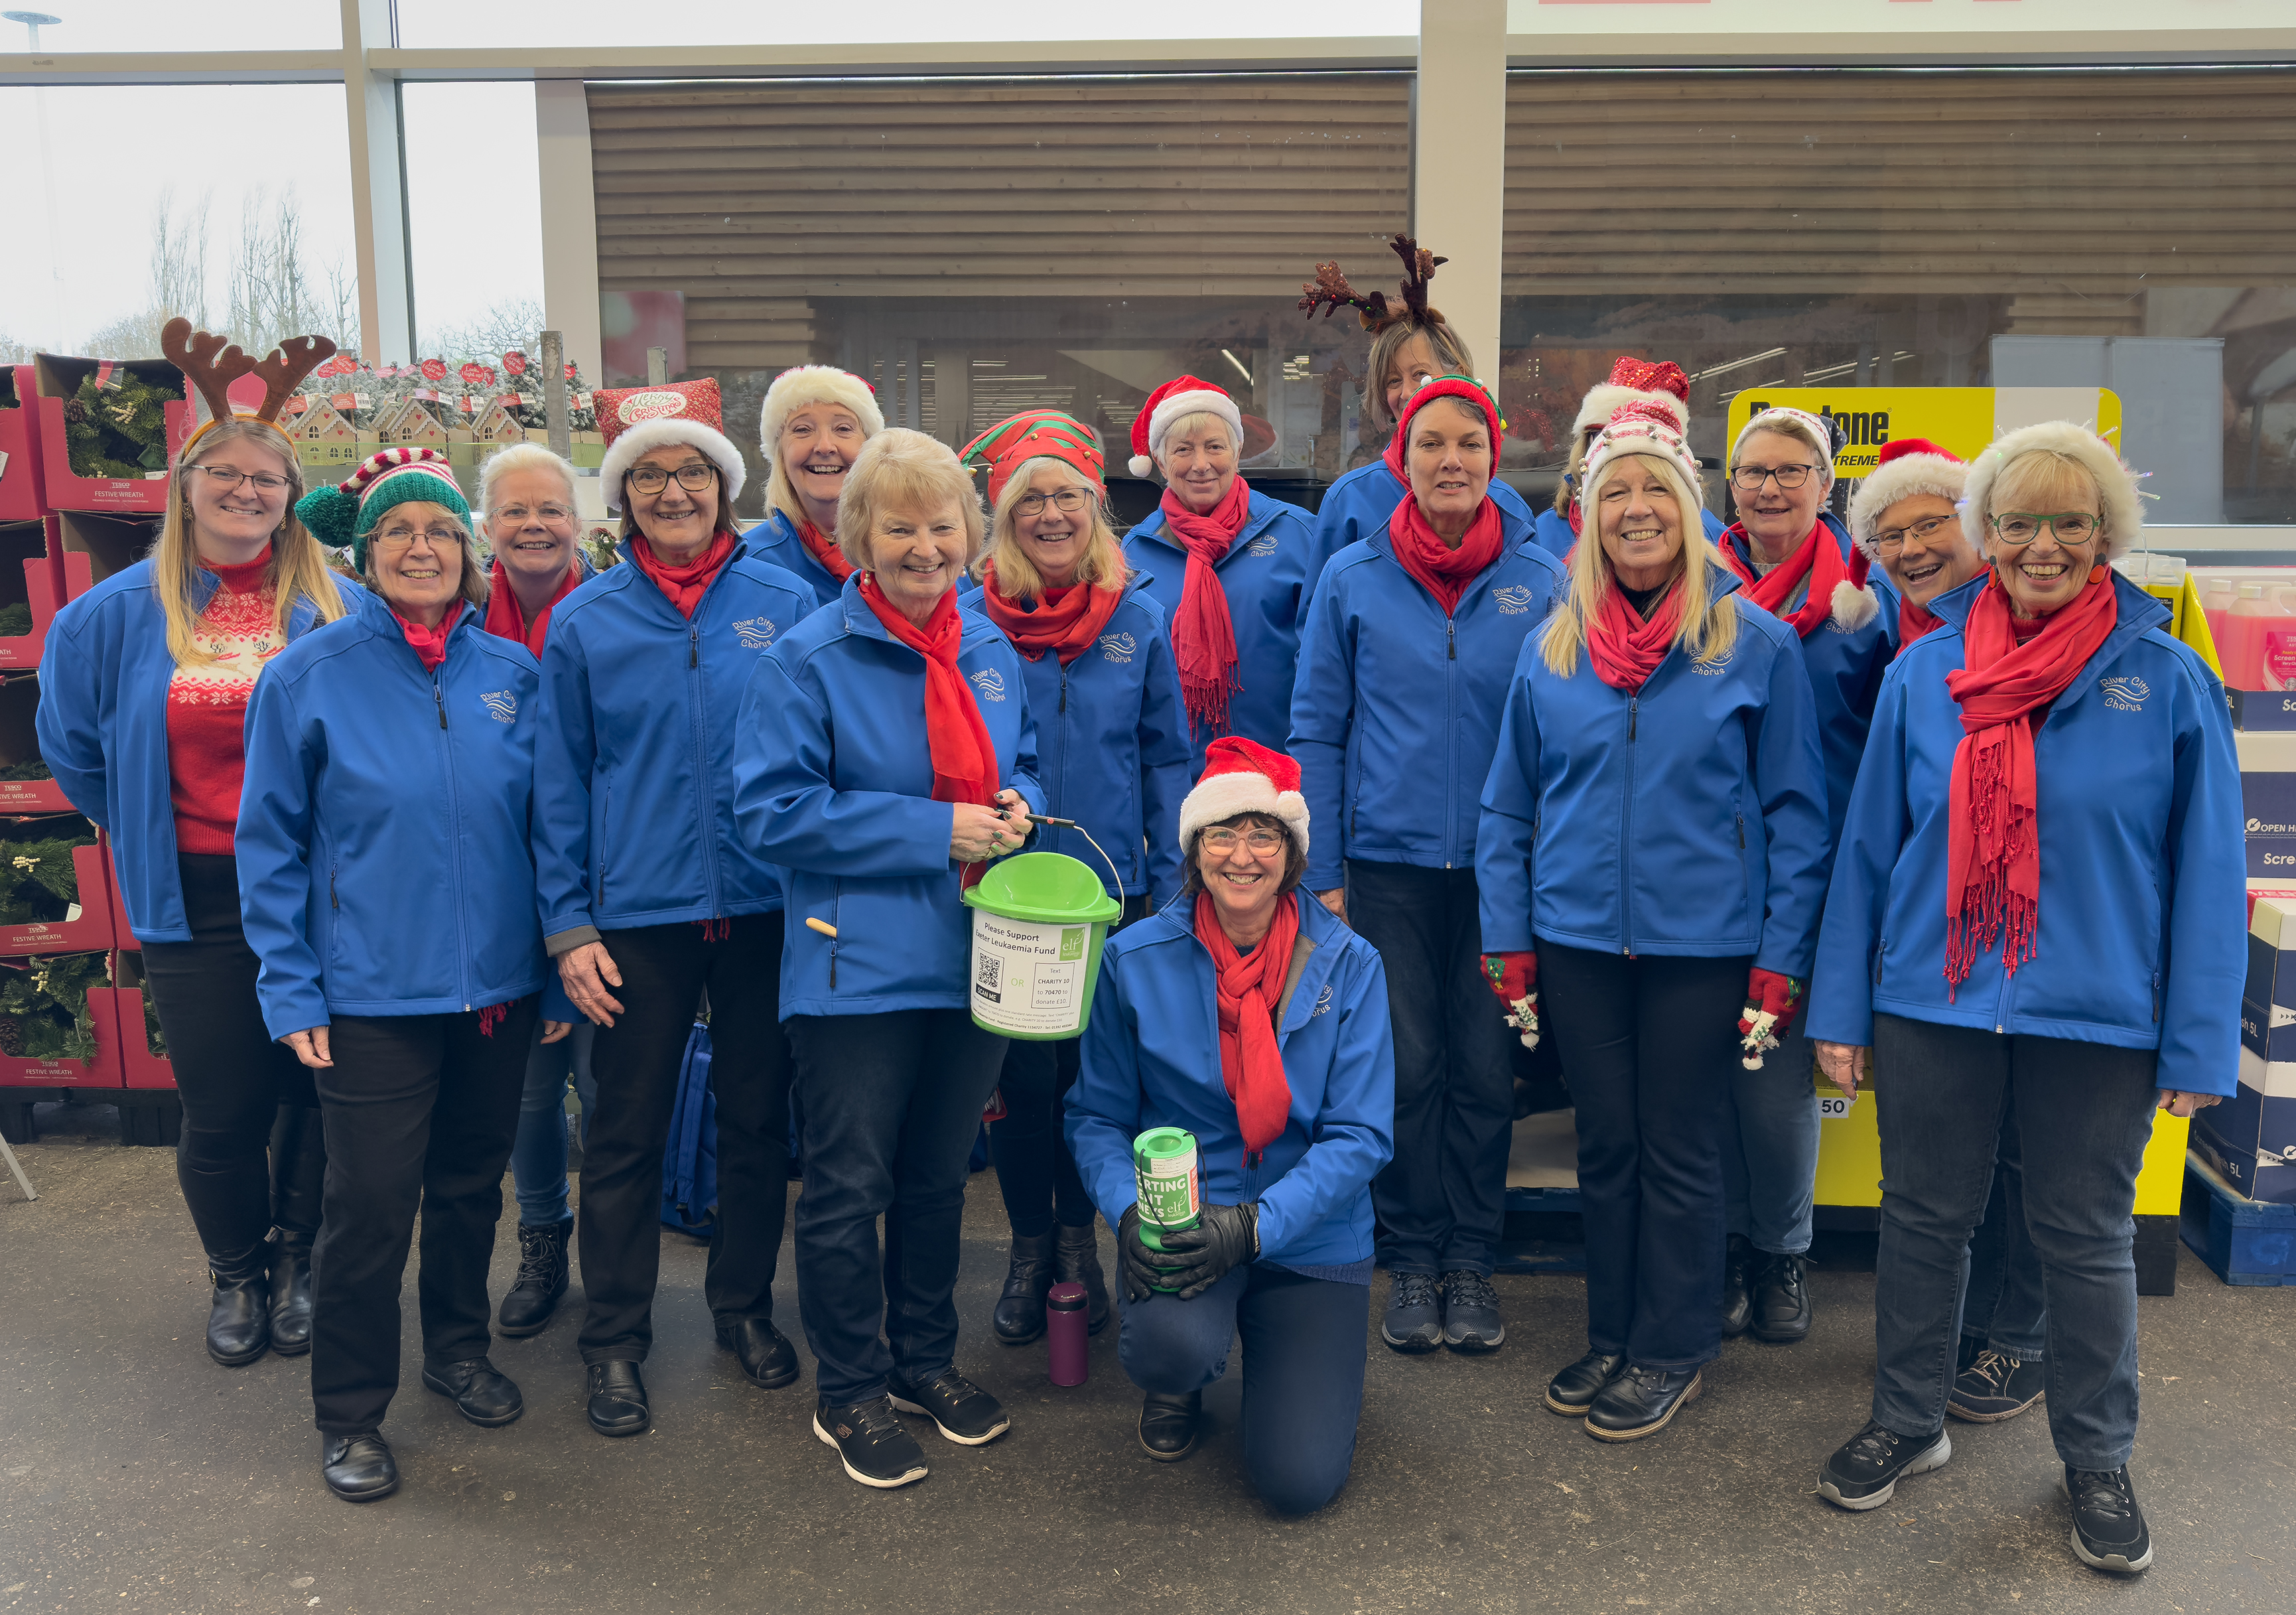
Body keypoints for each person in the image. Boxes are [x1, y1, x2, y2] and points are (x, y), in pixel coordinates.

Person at [1806, 423, 2243, 1576]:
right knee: (1923, 1218)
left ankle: (2096, 1454)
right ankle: (1908, 1417)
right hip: (1934, 1000)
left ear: (2106, 534)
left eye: (2067, 520)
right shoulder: (1923, 671)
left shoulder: (2167, 677)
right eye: (2015, 521)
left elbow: (2206, 875)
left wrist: (2199, 1039)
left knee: (2086, 1237)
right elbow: (1869, 852)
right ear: (1982, 535)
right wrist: (1842, 1011)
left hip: (2098, 1010)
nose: (2039, 544)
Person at [1476, 401, 1828, 1442]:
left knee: (1680, 1144)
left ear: (1684, 506)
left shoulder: (1754, 644)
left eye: (1653, 490)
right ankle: (1614, 1329)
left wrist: (1779, 958)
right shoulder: (1552, 648)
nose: (1635, 510)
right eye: (1614, 491)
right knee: (1607, 1144)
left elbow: (1796, 817)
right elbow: (1507, 804)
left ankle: (1672, 1347)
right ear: (1587, 516)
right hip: (1578, 940)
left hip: (1702, 946)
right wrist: (1509, 936)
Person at [240, 449, 567, 1502]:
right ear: (366, 554)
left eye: (438, 530)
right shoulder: (307, 678)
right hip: (369, 995)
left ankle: (457, 1349)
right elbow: (272, 845)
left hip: (500, 993)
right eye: (397, 533)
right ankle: (350, 1411)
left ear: (467, 552)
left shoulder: (514, 678)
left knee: (472, 1186)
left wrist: (555, 968)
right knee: (372, 1203)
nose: (421, 547)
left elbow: (551, 835)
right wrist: (290, 986)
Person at [37, 320, 350, 1370]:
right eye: (226, 470)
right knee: (222, 1101)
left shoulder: (331, 608)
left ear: (289, 493)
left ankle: (303, 1257)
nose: (247, 491)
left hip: (319, 890)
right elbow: (74, 747)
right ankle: (237, 1267)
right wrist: (141, 817)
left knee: (317, 1088)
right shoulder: (111, 618)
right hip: (194, 896)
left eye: (268, 477)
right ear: (186, 483)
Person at [734, 427, 1044, 1490]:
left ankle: (923, 1361)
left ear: (971, 531)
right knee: (845, 1184)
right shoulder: (807, 657)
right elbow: (769, 815)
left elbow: (1027, 764)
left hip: (973, 955)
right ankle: (850, 1388)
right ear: (856, 533)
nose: (924, 544)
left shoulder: (989, 649)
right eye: (899, 524)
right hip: (853, 967)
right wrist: (933, 831)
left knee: (935, 1181)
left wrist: (1020, 806)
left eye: (942, 521)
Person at [531, 378, 820, 1438]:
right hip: (635, 919)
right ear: (621, 497)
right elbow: (557, 783)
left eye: (690, 470)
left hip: (764, 909)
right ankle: (614, 1337)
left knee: (755, 1122)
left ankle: (741, 1307)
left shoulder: (789, 606)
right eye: (646, 475)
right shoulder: (585, 620)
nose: (670, 489)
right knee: (623, 1130)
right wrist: (568, 924)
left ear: (726, 485)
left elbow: (822, 759)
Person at [1290, 375, 1564, 1356]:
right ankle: (1409, 1254)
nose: (1452, 461)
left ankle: (1472, 1258)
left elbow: (1563, 733)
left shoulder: (1545, 578)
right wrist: (1322, 865)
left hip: (1503, 871)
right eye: (1431, 444)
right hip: (1388, 867)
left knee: (1488, 1070)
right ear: (1399, 460)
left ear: (1497, 461)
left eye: (1471, 445)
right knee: (1403, 1067)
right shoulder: (1352, 578)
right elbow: (1316, 729)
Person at [1066, 738, 1394, 1515]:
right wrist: (1126, 1216)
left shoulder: (1349, 964)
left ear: (1292, 852)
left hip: (1310, 1236)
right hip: (1182, 1218)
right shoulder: (1133, 958)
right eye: (1222, 833)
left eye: (1264, 835)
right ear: (1193, 847)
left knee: (1297, 1484)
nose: (1241, 856)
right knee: (1169, 1346)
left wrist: (1253, 1227)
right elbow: (1095, 1115)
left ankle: (1286, 1360)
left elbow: (1360, 1135)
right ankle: (1181, 1374)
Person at [957, 409, 1191, 1345]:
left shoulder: (1136, 618)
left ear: (1095, 510)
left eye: (1068, 496)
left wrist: (1173, 878)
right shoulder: (969, 622)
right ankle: (1026, 1248)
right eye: (1031, 498)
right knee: (1021, 1081)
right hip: (1010, 896)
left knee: (1099, 1081)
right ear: (1004, 515)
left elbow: (1166, 754)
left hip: (1116, 893)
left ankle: (1081, 1244)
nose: (1051, 514)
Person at [1848, 438, 2048, 1424]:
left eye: (1930, 522)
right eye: (1889, 534)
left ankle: (2016, 1336)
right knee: (1945, 1173)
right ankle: (1950, 1346)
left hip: (2027, 941)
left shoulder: (2037, 631)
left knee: (2022, 1158)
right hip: (1932, 939)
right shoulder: (1905, 639)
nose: (1912, 545)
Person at [1712, 405, 1893, 1350]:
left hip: (1811, 866)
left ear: (1828, 488)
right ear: (1728, 484)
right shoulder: (1692, 582)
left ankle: (1781, 1249)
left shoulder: (1865, 599)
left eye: (1792, 471)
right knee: (1714, 1074)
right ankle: (1730, 1245)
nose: (1771, 487)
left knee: (1776, 1080)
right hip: (1702, 865)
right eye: (1753, 471)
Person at [474, 442, 598, 1337]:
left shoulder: (610, 614)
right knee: (527, 1092)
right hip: (493, 898)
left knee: (605, 1087)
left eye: (549, 508)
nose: (532, 524)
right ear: (486, 526)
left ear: (581, 522)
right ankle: (542, 1236)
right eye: (513, 511)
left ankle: (615, 1262)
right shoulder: (454, 617)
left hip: (600, 901)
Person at [1119, 375, 1323, 769]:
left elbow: (1327, 663)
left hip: (1280, 767)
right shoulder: (1134, 554)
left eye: (1215, 447)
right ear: (1159, 462)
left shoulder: (1298, 533)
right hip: (1179, 776)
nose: (1201, 465)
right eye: (1183, 450)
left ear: (1238, 450)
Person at [1296, 234, 1535, 554]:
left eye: (1421, 374)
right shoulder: (1349, 501)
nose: (1407, 392)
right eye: (1393, 381)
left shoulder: (1508, 508)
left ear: (1459, 375)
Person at [1537, 357, 1727, 558]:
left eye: (1658, 489)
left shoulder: (1714, 539)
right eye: (1606, 437)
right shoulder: (1541, 535)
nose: (1637, 510)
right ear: (1585, 447)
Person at [744, 364, 884, 605]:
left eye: (843, 428)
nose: (824, 446)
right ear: (780, 453)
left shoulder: (917, 547)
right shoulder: (747, 562)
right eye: (802, 430)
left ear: (870, 448)